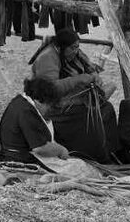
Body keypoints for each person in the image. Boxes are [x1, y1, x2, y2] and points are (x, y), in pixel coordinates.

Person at [29, 27, 120, 163]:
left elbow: (88, 66)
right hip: (53, 107)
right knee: (90, 118)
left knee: (107, 109)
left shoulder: (72, 51)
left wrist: (93, 75)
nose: (75, 50)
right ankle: (90, 157)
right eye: (72, 48)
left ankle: (112, 153)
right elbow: (50, 89)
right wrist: (79, 79)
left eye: (77, 47)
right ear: (60, 47)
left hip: (71, 101)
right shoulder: (47, 58)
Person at [0, 77, 70, 165]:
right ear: (38, 101)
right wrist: (61, 150)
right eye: (49, 105)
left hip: (12, 155)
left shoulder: (19, 101)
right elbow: (40, 148)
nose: (49, 109)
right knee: (78, 166)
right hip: (20, 160)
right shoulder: (27, 111)